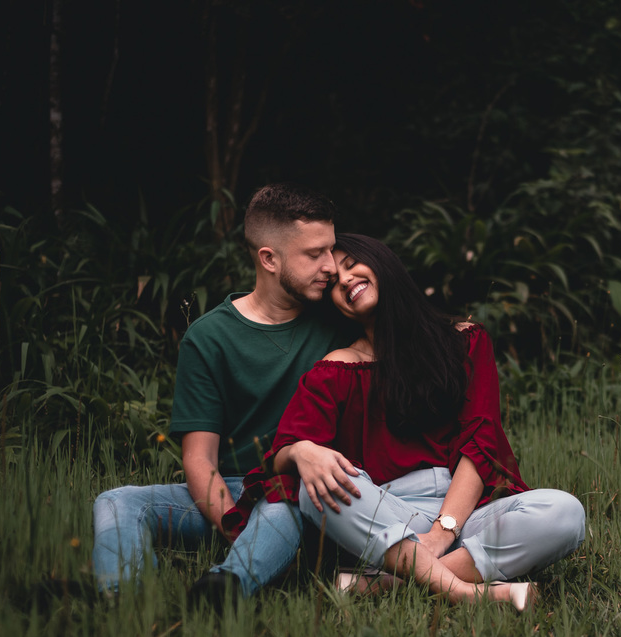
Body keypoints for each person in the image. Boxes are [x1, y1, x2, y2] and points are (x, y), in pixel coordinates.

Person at [221, 234, 585, 609]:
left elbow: (481, 441)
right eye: (334, 283)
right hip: (383, 515)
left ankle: (386, 583)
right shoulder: (336, 369)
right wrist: (301, 451)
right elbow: (281, 454)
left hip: (465, 511)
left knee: (564, 512)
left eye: (351, 266)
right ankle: (463, 593)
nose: (344, 280)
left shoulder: (465, 342)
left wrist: (443, 531)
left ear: (382, 263)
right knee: (322, 484)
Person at [91, 183, 356, 603]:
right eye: (314, 254)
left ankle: (223, 589)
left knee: (282, 498)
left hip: (301, 489)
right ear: (269, 258)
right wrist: (235, 525)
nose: (331, 266)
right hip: (231, 493)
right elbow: (199, 458)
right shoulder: (209, 337)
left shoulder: (338, 321)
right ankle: (121, 596)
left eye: (331, 249)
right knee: (117, 501)